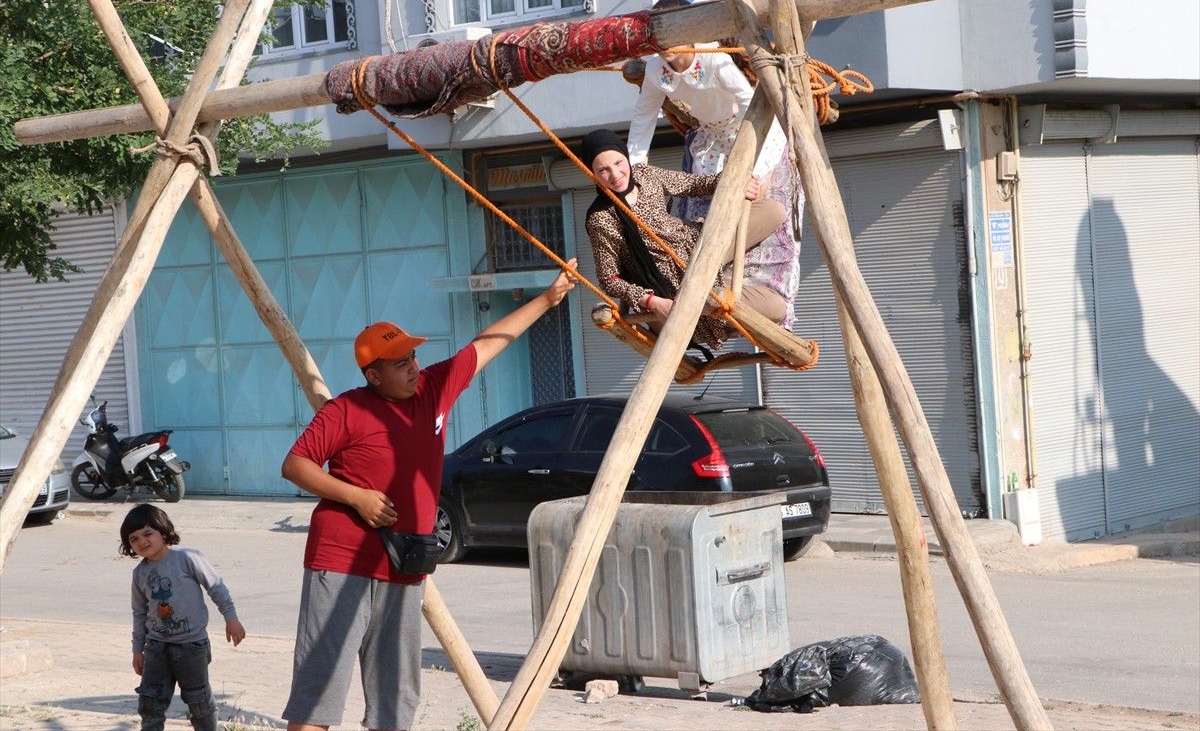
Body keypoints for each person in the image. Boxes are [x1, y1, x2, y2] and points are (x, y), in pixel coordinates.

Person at [279, 262, 577, 731]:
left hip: (406, 563)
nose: (414, 368)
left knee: (396, 699)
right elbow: (295, 465)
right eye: (401, 364)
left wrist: (546, 298)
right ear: (373, 375)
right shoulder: (346, 410)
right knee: (320, 691)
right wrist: (356, 498)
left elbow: (484, 346)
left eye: (414, 358)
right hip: (342, 561)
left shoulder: (432, 391)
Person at [627, 0, 802, 329]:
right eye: (659, 39)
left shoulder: (714, 60)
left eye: (672, 37)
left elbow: (753, 103)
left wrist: (757, 169)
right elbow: (643, 120)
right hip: (710, 141)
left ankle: (748, 288)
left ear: (691, 32)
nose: (665, 47)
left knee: (759, 204)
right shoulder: (654, 68)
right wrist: (636, 172)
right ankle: (698, 276)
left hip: (751, 129)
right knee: (704, 210)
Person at [582, 128, 785, 350]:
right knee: (777, 309)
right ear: (591, 173)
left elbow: (690, 184)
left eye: (619, 163)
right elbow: (609, 280)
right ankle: (718, 317)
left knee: (774, 211)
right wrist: (653, 302)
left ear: (626, 158)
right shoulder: (600, 218)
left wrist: (732, 183)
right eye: (603, 170)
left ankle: (720, 286)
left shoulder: (644, 175)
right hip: (675, 284)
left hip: (700, 244)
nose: (615, 174)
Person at [120, 503, 246, 731]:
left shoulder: (188, 557)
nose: (142, 542)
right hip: (156, 647)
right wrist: (137, 650)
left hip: (192, 646)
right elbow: (139, 613)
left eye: (148, 534)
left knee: (198, 702)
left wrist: (231, 618)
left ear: (164, 532)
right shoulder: (139, 573)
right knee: (150, 703)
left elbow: (216, 587)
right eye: (134, 539)